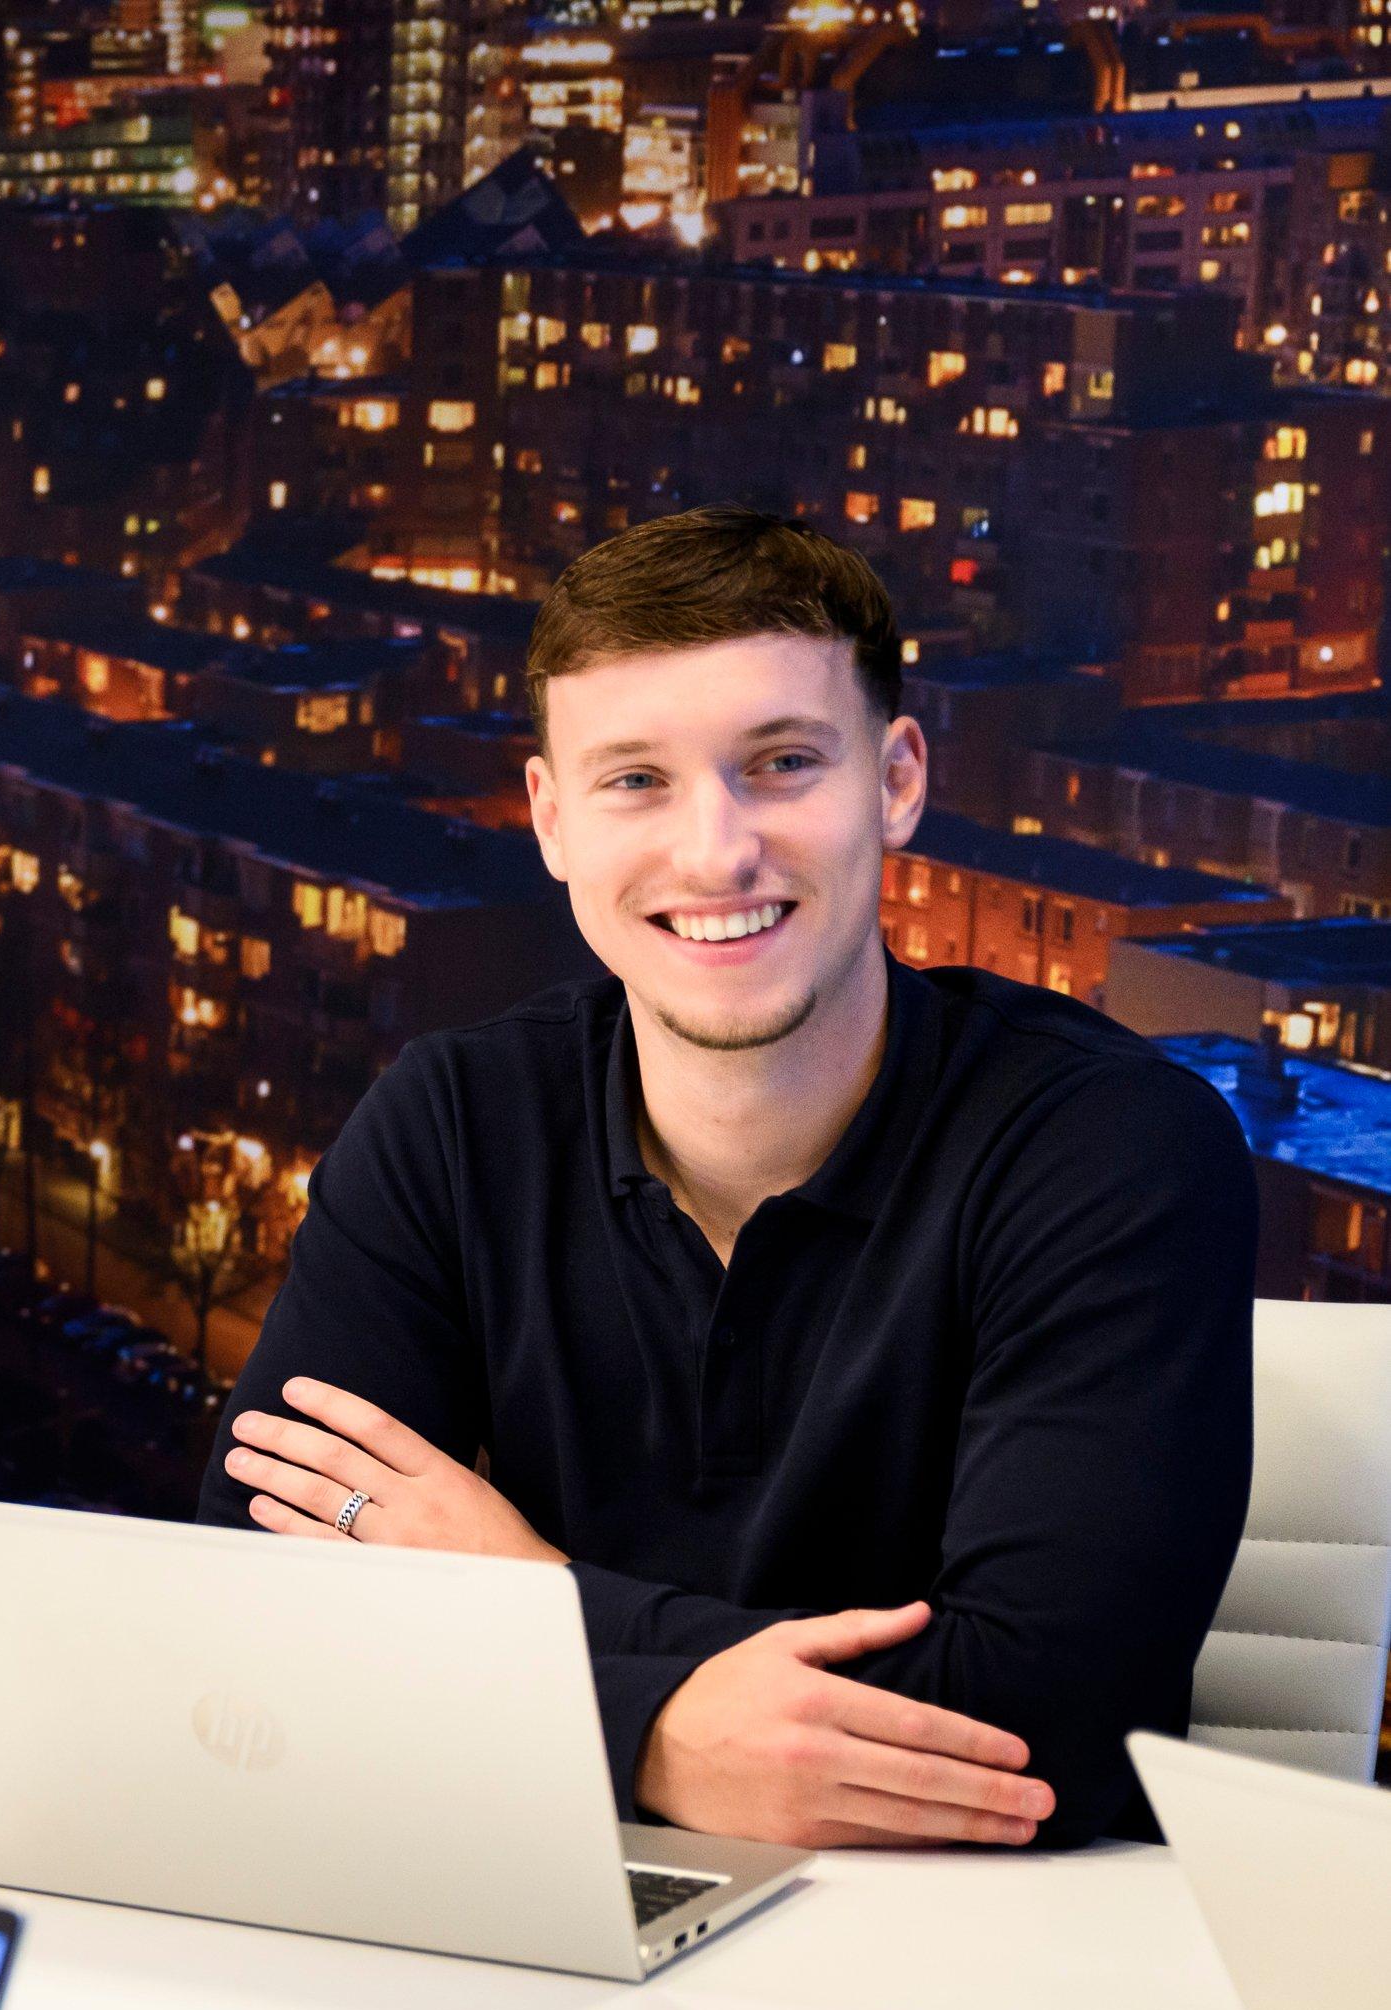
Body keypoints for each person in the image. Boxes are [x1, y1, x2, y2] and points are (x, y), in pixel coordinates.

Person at [204, 509, 1253, 1851]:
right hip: (543, 1924)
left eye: (782, 763)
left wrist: (518, 1596)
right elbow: (252, 1596)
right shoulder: (453, 1123)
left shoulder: (1110, 1152)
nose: (715, 852)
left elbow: (1025, 1734)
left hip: (980, 1975)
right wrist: (664, 1732)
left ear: (897, 780)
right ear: (550, 821)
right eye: (634, 780)